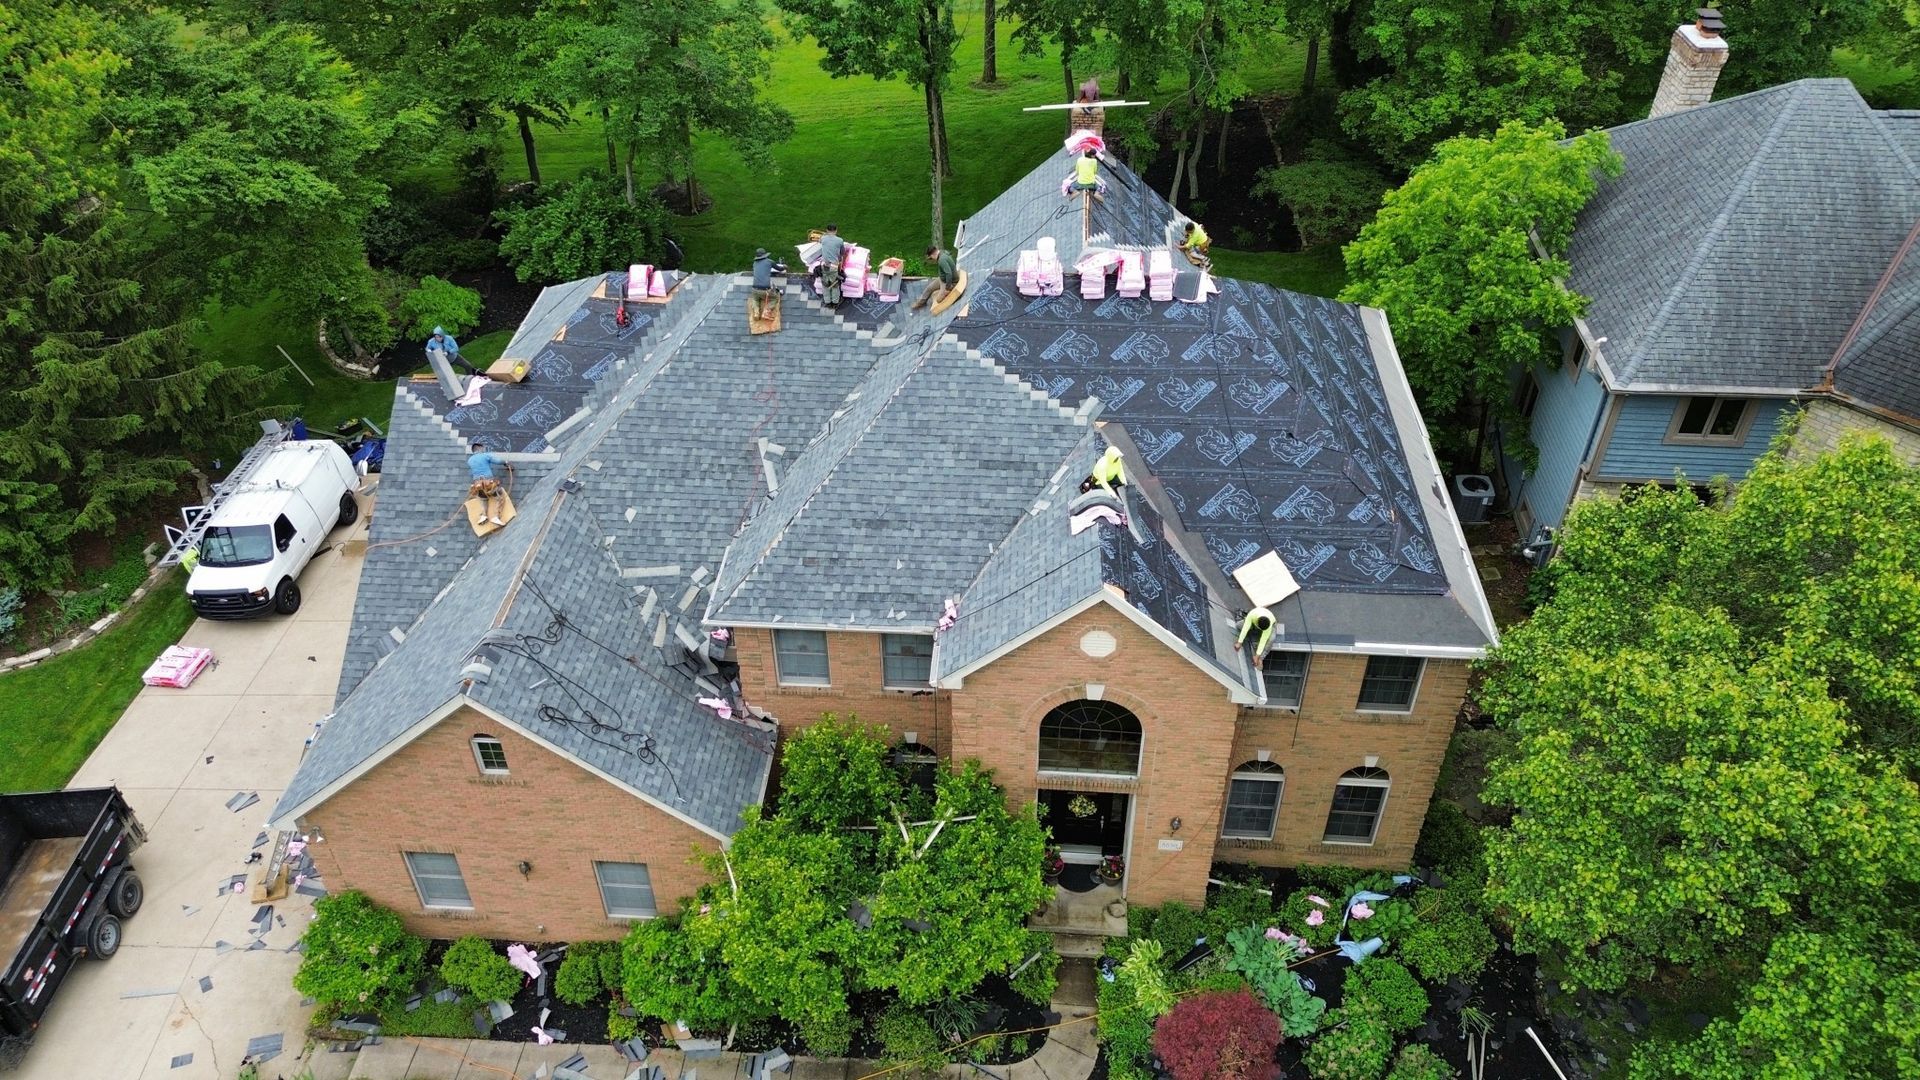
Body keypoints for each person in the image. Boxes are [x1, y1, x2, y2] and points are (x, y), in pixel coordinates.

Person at [468, 440, 509, 526]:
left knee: (483, 499)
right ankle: (496, 517)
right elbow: (498, 461)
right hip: (488, 483)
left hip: (478, 485)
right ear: (479, 448)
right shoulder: (485, 456)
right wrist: (505, 463)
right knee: (500, 497)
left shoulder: (470, 460)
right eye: (482, 448)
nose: (484, 450)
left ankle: (483, 515)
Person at [912, 244, 959, 311]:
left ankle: (947, 292)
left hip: (950, 282)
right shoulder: (942, 252)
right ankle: (920, 303)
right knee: (929, 288)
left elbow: (949, 273)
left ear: (933, 254)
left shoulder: (942, 260)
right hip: (942, 279)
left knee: (938, 300)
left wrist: (948, 288)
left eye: (931, 257)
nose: (932, 259)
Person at [750, 247, 786, 322]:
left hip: (755, 289)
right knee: (774, 298)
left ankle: (756, 312)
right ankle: (766, 312)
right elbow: (780, 269)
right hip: (765, 290)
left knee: (755, 299)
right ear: (765, 255)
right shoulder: (769, 261)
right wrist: (785, 266)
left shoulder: (754, 263)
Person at [815, 223, 847, 306]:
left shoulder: (823, 238)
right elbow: (842, 253)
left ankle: (827, 302)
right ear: (836, 230)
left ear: (827, 230)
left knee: (825, 284)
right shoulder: (840, 240)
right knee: (834, 285)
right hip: (833, 266)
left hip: (824, 265)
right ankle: (835, 302)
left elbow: (821, 240)